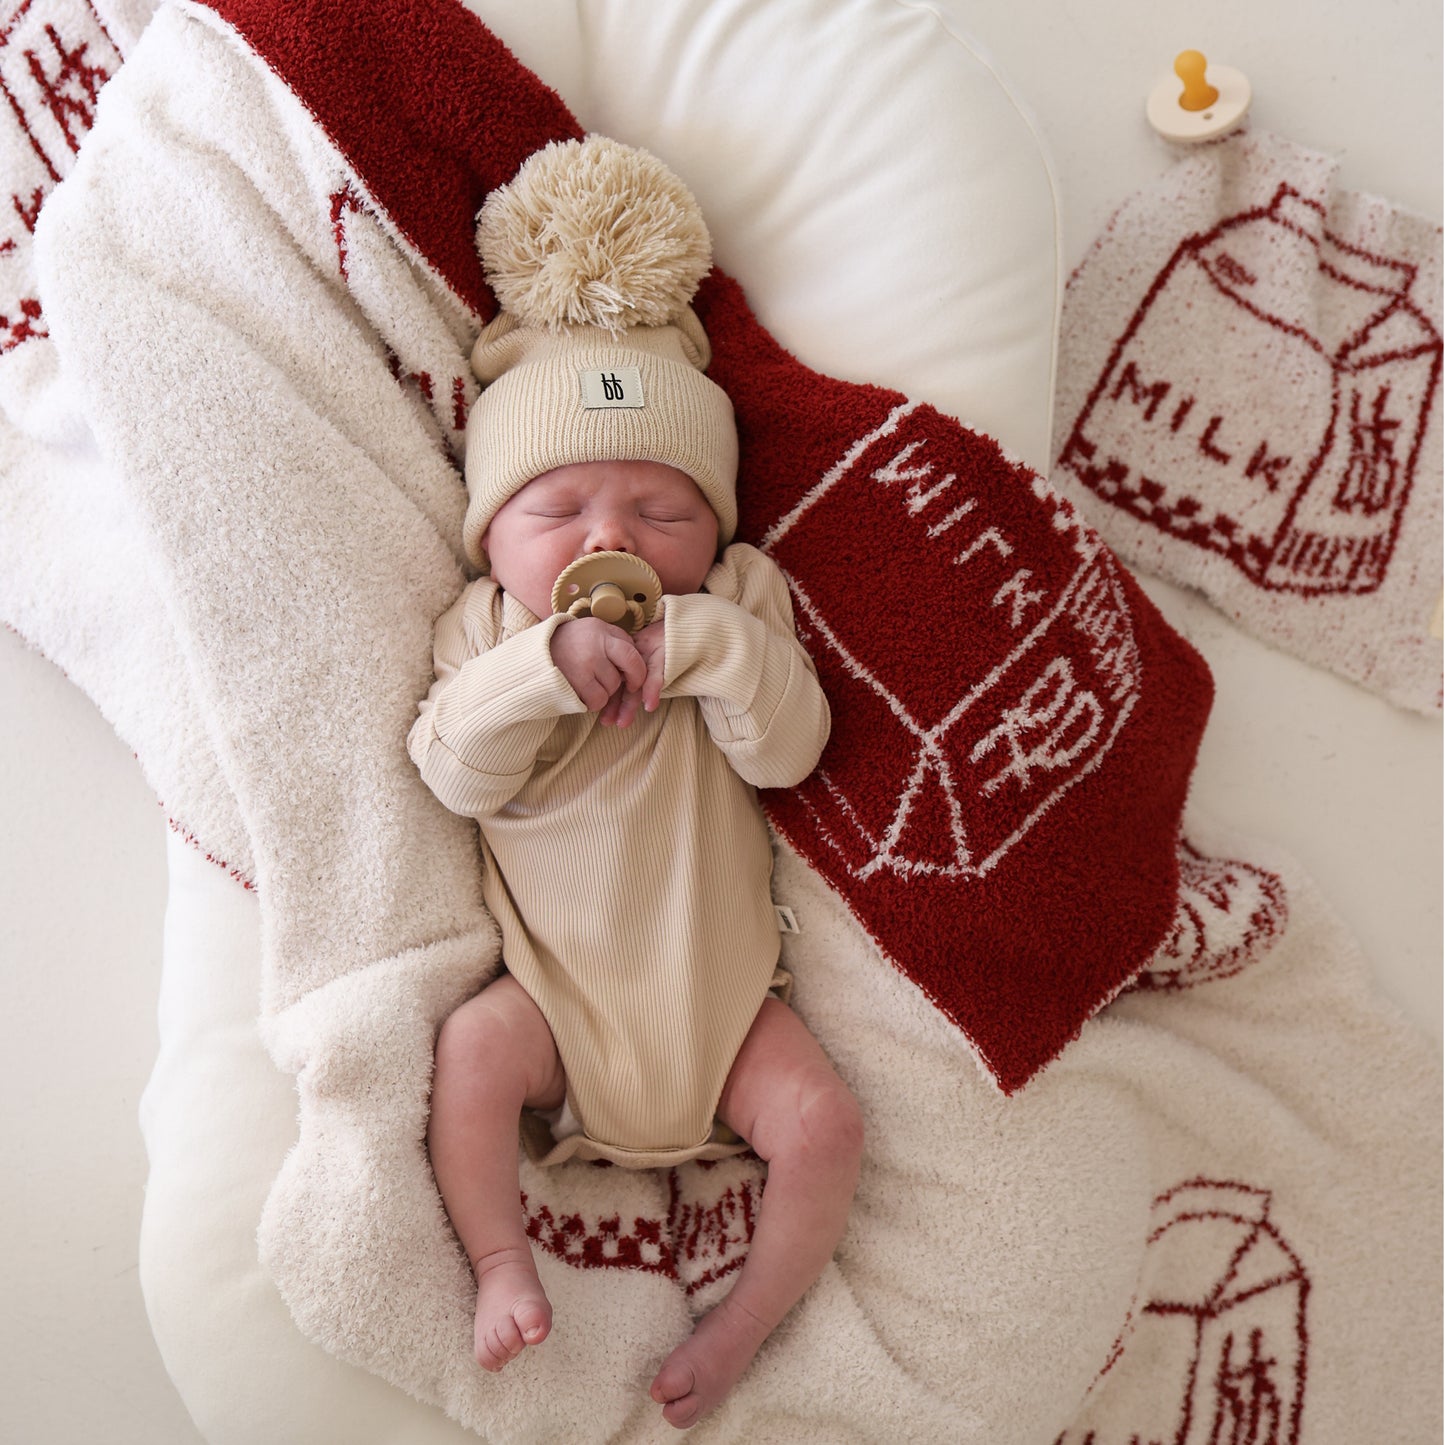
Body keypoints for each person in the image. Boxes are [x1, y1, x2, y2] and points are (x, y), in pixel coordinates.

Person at [408, 135, 863, 1431]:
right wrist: (548, 664)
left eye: (659, 510)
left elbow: (790, 749)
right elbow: (448, 768)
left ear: (712, 527)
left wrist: (711, 645)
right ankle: (502, 1255)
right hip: (554, 1000)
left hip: (722, 1012)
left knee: (824, 1124)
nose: (610, 538)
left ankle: (736, 1332)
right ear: (492, 529)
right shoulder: (488, 632)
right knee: (468, 1050)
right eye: (559, 505)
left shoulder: (738, 602)